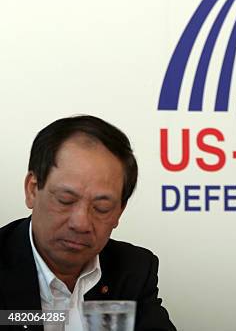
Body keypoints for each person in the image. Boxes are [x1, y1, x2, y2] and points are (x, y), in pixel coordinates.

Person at [0, 115, 177, 331]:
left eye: (101, 208)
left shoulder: (133, 270)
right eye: (65, 200)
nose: (81, 223)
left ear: (119, 212)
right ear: (32, 189)